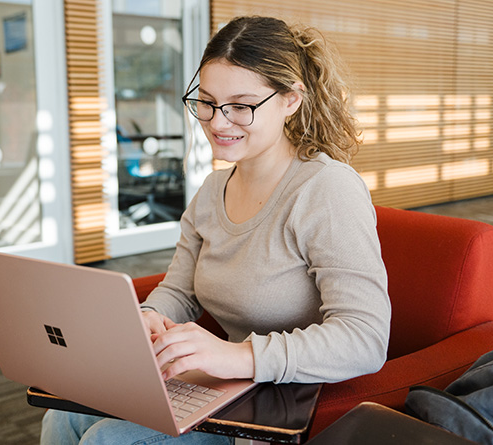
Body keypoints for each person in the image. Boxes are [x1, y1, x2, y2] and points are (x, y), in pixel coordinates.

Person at [41, 15, 391, 445]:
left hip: (285, 397)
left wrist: (238, 355)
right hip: (224, 381)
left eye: (241, 105)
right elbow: (179, 291)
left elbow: (366, 338)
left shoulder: (327, 189)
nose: (218, 122)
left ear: (291, 100)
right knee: (60, 417)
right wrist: (148, 319)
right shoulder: (212, 189)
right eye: (206, 102)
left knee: (104, 440)